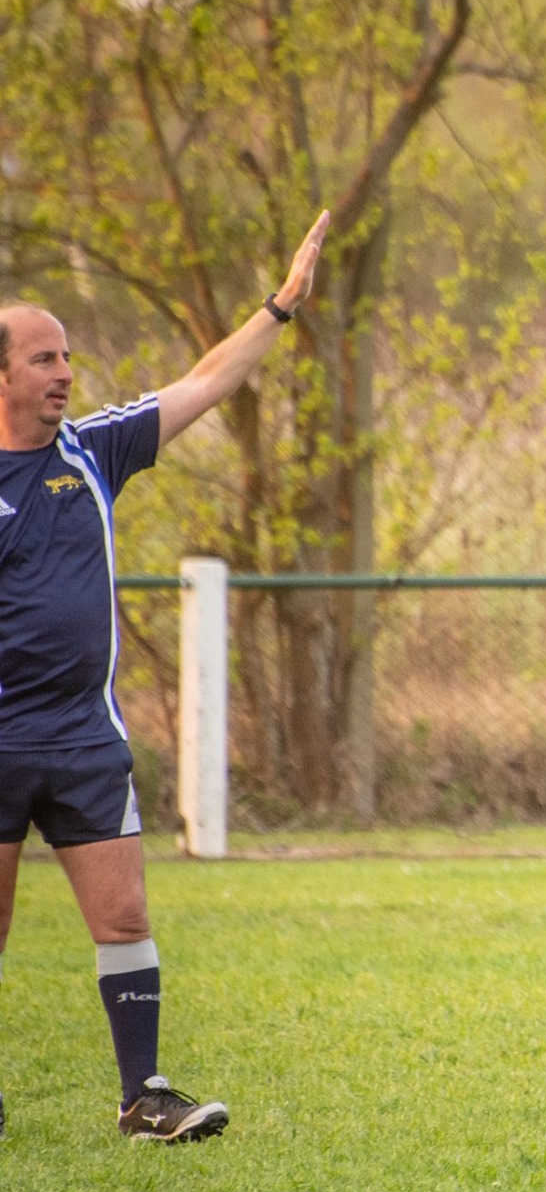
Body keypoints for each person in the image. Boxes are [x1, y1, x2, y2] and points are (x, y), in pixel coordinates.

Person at [0, 211, 330, 1142]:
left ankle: (144, 1096)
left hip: (81, 738)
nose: (65, 371)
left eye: (66, 356)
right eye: (43, 359)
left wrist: (279, 307)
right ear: (3, 376)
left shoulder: (94, 454)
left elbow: (206, 382)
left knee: (126, 913)